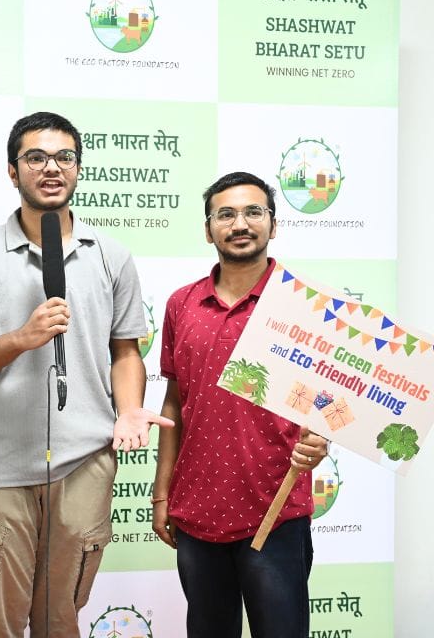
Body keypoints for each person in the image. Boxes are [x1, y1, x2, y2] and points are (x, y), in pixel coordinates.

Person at [0, 111, 173, 637]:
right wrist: (21, 338)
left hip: (83, 462)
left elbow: (125, 351)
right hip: (0, 468)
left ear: (78, 169)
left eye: (64, 157)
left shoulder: (112, 257)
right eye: (36, 158)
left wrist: (129, 409)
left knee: (61, 620)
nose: (51, 168)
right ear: (12, 171)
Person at [151, 171, 329, 638]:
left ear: (274, 224)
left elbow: (329, 401)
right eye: (225, 214)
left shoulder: (304, 307)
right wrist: (162, 493)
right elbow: (175, 404)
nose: (240, 224)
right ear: (208, 229)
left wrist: (321, 437)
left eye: (253, 212)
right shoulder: (181, 304)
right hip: (196, 509)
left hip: (275, 510)